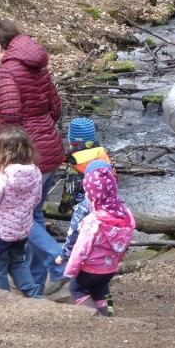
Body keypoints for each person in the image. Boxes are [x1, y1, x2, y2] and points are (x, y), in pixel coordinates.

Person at [0, 19, 68, 296]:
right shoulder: (39, 66)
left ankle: (59, 263)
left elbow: (9, 120)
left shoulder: (6, 73)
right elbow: (55, 108)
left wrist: (8, 154)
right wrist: (42, 127)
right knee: (34, 214)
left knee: (25, 219)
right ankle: (33, 281)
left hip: (26, 155)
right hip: (51, 149)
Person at [58, 161, 135, 316]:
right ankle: (110, 315)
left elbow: (81, 248)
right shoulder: (126, 214)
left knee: (76, 288)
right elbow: (125, 242)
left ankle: (95, 319)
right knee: (102, 289)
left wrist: (70, 270)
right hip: (110, 267)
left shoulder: (93, 221)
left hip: (90, 268)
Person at [0, 126, 43, 298]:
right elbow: (36, 200)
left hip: (1, 232)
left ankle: (2, 299)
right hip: (22, 230)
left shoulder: (2, 176)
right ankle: (34, 295)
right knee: (18, 262)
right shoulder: (36, 173)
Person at [58, 117, 116, 314]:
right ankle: (109, 313)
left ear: (73, 141)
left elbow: (71, 191)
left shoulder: (75, 162)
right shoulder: (103, 155)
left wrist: (65, 207)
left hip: (86, 216)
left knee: (79, 284)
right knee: (102, 284)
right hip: (106, 212)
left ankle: (92, 318)